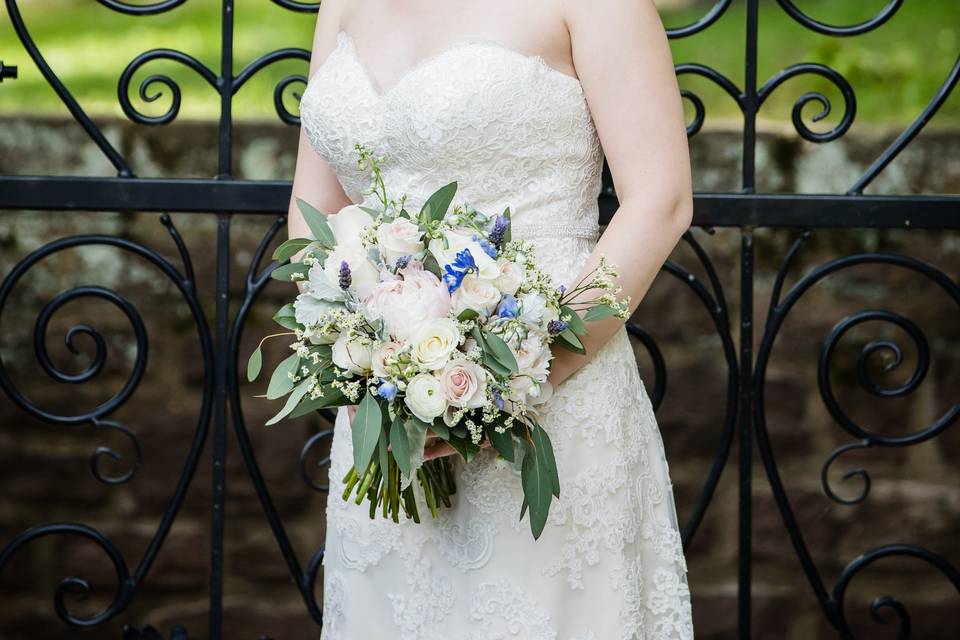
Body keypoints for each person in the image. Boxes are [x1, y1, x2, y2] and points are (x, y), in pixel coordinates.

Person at [288, 0, 695, 637]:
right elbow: (314, 215)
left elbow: (661, 201)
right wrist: (362, 353)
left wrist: (515, 379)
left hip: (552, 402)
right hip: (389, 416)